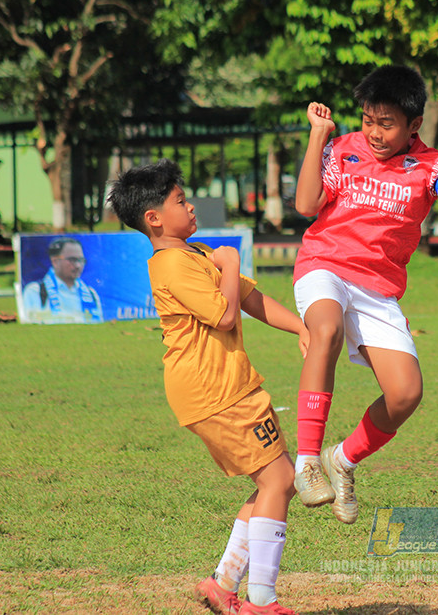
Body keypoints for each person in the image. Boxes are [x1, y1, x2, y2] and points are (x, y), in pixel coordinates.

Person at [291, 65, 438, 524]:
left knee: (406, 393)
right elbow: (305, 206)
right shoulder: (342, 148)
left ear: (414, 125)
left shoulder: (436, 166)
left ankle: (343, 460)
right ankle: (308, 461)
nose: (373, 132)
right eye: (368, 120)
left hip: (378, 290)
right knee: (327, 328)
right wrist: (318, 137)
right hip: (325, 266)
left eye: (386, 124)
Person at [107, 159, 308, 615]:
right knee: (279, 479)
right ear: (154, 218)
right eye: (181, 200)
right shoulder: (173, 264)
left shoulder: (193, 254)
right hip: (215, 390)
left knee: (271, 483)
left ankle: (223, 583)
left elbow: (249, 298)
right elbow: (226, 314)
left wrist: (300, 328)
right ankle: (262, 599)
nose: (191, 205)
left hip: (226, 386)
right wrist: (232, 259)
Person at [21, 236, 103, 324]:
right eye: (72, 260)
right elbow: (31, 325)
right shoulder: (35, 291)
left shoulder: (91, 294)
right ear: (55, 262)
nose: (78, 265)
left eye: (81, 260)